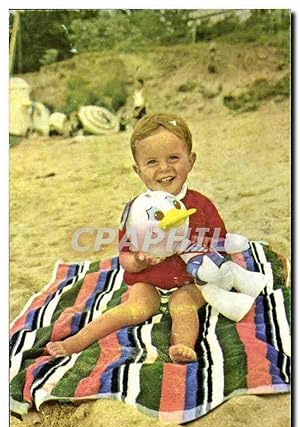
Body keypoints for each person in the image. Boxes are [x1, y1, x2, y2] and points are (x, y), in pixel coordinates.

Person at [46, 113, 227, 363]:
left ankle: (183, 346)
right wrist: (140, 261)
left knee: (182, 305)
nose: (164, 168)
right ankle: (75, 341)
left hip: (189, 281)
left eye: (173, 158)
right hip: (149, 280)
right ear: (138, 170)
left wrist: (193, 251)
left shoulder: (200, 205)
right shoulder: (136, 212)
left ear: (190, 160)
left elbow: (219, 246)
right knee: (135, 308)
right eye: (152, 162)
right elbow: (126, 258)